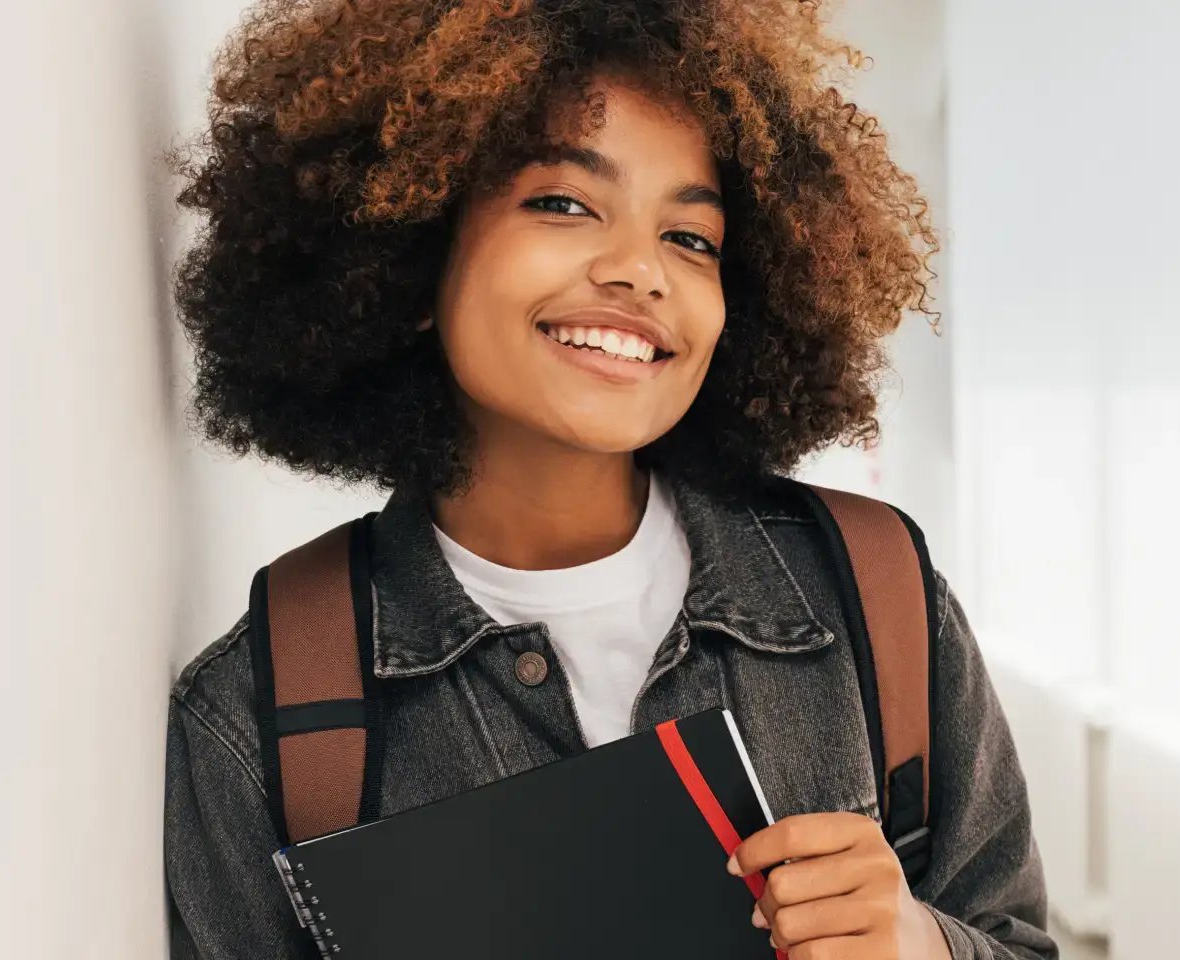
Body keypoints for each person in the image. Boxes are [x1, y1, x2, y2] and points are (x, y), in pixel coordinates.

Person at [162, 2, 1057, 958]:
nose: (640, 271)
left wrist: (923, 945)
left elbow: (1015, 939)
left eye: (692, 239)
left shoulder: (876, 595)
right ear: (412, 250)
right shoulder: (266, 714)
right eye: (562, 202)